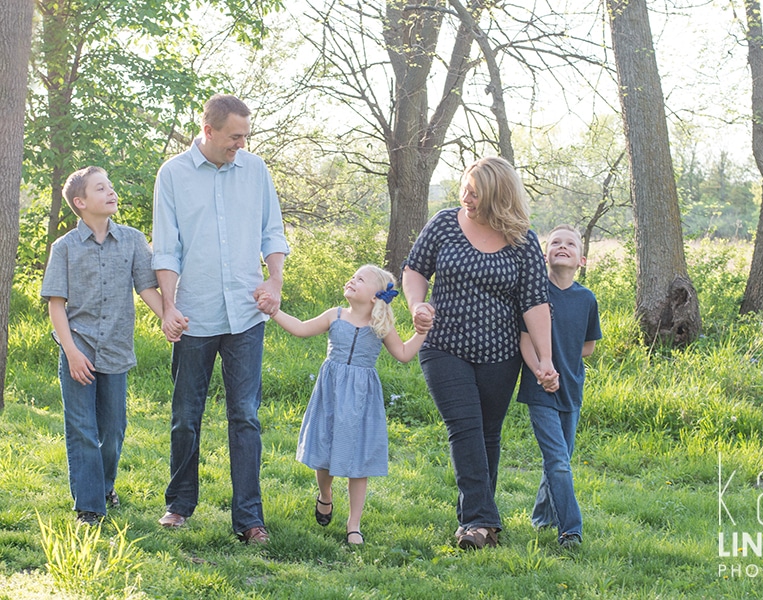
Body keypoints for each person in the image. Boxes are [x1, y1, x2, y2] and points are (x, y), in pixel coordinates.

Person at [151, 93, 290, 544]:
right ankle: (179, 505)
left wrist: (275, 283)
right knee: (185, 415)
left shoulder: (255, 170)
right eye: (234, 136)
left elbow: (273, 230)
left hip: (247, 312)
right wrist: (169, 307)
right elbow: (167, 247)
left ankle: (250, 519)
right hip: (194, 313)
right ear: (208, 130)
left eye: (245, 136)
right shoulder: (172, 175)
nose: (241, 144)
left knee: (245, 416)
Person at [403, 156, 556, 550]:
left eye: (475, 192)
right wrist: (417, 305)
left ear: (498, 196)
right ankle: (481, 519)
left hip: (500, 353)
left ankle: (477, 527)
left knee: (488, 434)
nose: (466, 197)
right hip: (443, 345)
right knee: (465, 428)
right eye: (465, 189)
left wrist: (546, 360)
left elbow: (535, 304)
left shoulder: (523, 239)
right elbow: (414, 270)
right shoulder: (444, 224)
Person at [41, 166, 176, 525]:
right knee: (82, 428)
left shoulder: (132, 240)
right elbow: (56, 303)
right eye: (101, 189)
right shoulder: (64, 247)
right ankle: (89, 507)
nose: (111, 192)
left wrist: (168, 315)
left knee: (113, 431)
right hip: (78, 349)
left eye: (111, 187)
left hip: (116, 349)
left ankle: (103, 486)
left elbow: (147, 288)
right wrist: (70, 351)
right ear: (81, 202)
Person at [257, 265, 429, 545]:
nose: (352, 280)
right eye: (353, 276)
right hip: (331, 394)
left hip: (362, 399)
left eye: (360, 279)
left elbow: (404, 353)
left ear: (375, 296)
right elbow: (300, 329)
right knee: (324, 449)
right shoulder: (335, 315)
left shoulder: (380, 326)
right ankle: (325, 495)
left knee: (358, 460)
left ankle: (354, 524)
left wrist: (422, 331)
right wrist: (274, 312)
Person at [517, 224, 601, 549]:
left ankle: (541, 517)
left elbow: (588, 346)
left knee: (560, 457)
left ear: (582, 260)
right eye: (555, 242)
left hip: (572, 388)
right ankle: (571, 529)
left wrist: (563, 357)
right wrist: (541, 370)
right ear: (544, 255)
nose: (562, 247)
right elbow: (525, 340)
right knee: (558, 461)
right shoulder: (536, 294)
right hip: (540, 387)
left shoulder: (586, 299)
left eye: (570, 244)